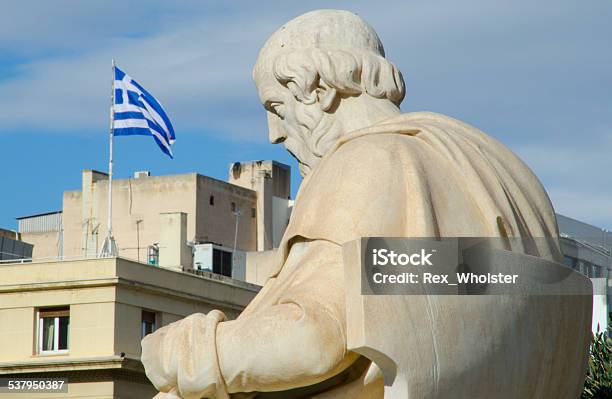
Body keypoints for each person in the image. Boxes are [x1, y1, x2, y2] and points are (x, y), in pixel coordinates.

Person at [141, 10, 562, 399]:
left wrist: (182, 350)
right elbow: (431, 282)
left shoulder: (369, 160)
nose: (274, 134)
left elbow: (315, 337)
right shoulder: (507, 173)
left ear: (320, 91)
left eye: (276, 107)